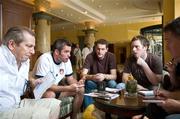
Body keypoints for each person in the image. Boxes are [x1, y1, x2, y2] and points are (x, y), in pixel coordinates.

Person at [0, 26, 61, 119]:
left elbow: (17, 83)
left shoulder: (25, 61)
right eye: (29, 46)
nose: (33, 52)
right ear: (12, 44)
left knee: (54, 104)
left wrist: (32, 82)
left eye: (34, 47)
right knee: (41, 114)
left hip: (17, 103)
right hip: (3, 110)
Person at [132, 17, 180, 119]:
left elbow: (155, 82)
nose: (166, 47)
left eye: (168, 41)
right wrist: (172, 74)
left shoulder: (155, 59)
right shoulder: (177, 60)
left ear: (145, 47)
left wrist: (177, 106)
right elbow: (177, 86)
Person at [32, 38, 84, 119]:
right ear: (56, 52)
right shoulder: (45, 59)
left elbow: (70, 79)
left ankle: (74, 117)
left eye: (69, 52)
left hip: (55, 88)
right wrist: (68, 88)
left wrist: (77, 83)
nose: (69, 55)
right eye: (66, 52)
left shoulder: (66, 60)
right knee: (50, 94)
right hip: (39, 90)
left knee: (81, 90)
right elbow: (44, 85)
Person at [81, 39, 117, 109]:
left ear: (107, 49)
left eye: (103, 49)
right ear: (95, 48)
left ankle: (110, 109)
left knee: (112, 83)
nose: (100, 52)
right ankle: (89, 110)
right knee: (88, 83)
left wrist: (104, 76)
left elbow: (114, 76)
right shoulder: (90, 56)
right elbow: (82, 74)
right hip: (94, 81)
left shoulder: (111, 56)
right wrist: (92, 77)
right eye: (98, 49)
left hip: (107, 81)